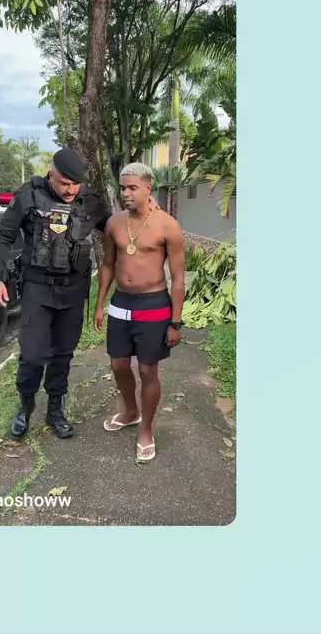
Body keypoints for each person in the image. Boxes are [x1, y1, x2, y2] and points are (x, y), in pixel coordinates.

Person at [0, 148, 111, 440]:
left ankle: (55, 408)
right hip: (38, 289)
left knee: (62, 354)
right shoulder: (29, 195)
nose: (71, 190)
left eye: (76, 184)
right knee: (32, 355)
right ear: (51, 174)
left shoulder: (90, 201)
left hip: (73, 291)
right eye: (65, 183)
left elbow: (115, 228)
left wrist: (145, 212)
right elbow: (3, 236)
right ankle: (25, 407)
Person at [94, 162, 185, 462]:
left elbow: (178, 279)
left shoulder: (168, 226)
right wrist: (100, 304)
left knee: (148, 370)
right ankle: (130, 412)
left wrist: (175, 323)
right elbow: (108, 264)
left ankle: (146, 429)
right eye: (123, 188)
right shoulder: (114, 223)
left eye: (133, 188)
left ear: (149, 189)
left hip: (153, 305)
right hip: (121, 303)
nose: (126, 194)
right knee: (118, 365)